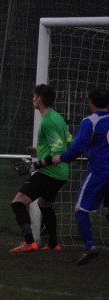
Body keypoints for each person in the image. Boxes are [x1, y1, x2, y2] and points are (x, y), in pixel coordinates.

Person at [11, 84, 71, 253]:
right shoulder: (57, 118)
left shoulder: (48, 122)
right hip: (61, 173)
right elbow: (70, 141)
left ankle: (29, 242)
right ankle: (53, 244)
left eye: (34, 96)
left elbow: (58, 152)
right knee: (45, 205)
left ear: (40, 99)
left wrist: (35, 165)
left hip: (50, 172)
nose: (32, 99)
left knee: (17, 203)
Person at [52, 87, 109, 265]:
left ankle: (90, 246)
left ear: (90, 102)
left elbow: (77, 149)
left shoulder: (90, 122)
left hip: (99, 171)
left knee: (80, 209)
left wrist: (61, 157)